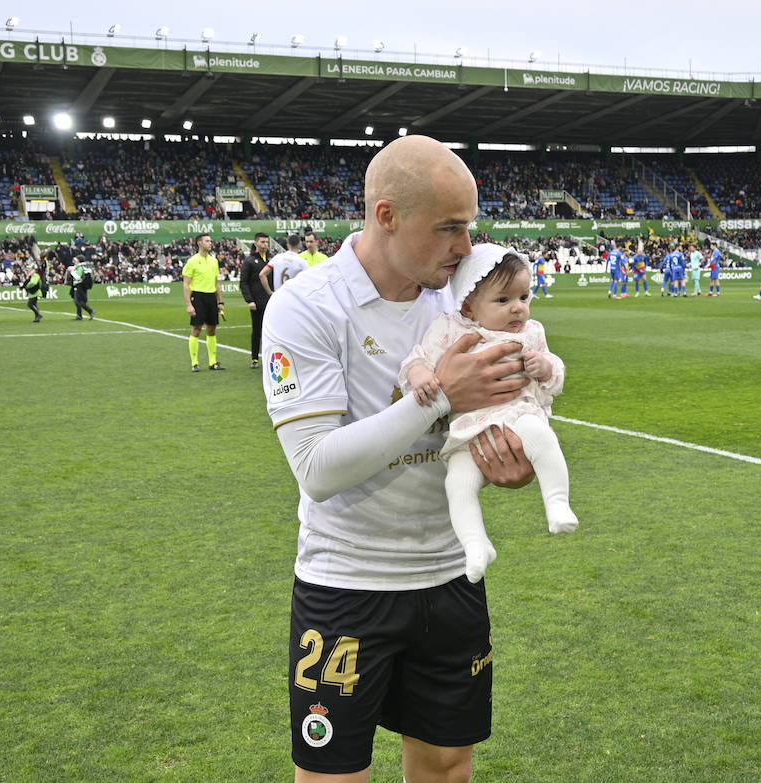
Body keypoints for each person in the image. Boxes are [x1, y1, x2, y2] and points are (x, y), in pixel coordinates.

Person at [261, 134, 536, 783]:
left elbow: (486, 423)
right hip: (346, 587)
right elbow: (318, 468)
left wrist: (508, 461)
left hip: (450, 579)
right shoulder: (306, 306)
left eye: (469, 227)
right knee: (332, 777)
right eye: (448, 228)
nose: (467, 248)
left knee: (447, 767)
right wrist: (440, 394)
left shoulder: (470, 303)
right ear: (386, 216)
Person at [400, 243, 577, 583]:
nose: (517, 309)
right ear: (468, 304)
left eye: (524, 298)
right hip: (467, 431)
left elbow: (555, 375)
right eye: (503, 300)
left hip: (517, 415)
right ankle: (476, 544)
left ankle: (556, 502)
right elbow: (417, 358)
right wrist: (420, 374)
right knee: (458, 484)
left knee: (543, 437)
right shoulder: (451, 330)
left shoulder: (531, 333)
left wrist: (545, 366)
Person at [182, 233, 225, 371]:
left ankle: (213, 362)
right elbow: (186, 285)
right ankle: (194, 363)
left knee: (212, 329)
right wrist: (189, 304)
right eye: (207, 241)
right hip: (198, 298)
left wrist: (220, 302)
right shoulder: (192, 261)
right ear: (199, 243)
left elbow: (216, 283)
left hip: (211, 297)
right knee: (196, 329)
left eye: (210, 241)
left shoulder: (214, 261)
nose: (210, 243)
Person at [240, 232, 271, 370]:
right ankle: (254, 358)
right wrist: (249, 300)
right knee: (257, 331)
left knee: (271, 331)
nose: (265, 244)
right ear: (256, 243)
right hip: (257, 303)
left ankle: (269, 357)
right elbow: (243, 283)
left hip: (271, 302)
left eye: (266, 242)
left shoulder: (271, 260)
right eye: (262, 242)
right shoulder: (249, 261)